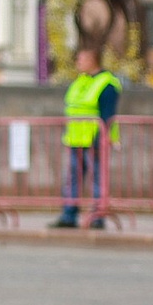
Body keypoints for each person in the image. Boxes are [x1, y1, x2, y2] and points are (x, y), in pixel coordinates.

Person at [55, 46, 123, 230]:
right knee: (72, 179)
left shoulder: (107, 83)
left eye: (82, 59)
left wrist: (105, 137)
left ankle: (97, 216)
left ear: (93, 60)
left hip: (95, 139)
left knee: (97, 179)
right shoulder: (80, 81)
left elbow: (107, 115)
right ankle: (69, 215)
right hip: (75, 138)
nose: (78, 63)